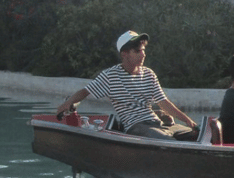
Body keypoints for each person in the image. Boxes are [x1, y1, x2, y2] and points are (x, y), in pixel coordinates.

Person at [56, 30, 199, 141]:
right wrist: (68, 103)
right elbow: (85, 91)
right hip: (136, 127)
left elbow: (164, 103)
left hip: (158, 124)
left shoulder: (149, 74)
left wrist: (189, 121)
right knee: (169, 142)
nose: (143, 54)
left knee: (198, 134)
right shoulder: (111, 76)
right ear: (124, 54)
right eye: (137, 51)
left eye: (143, 50)